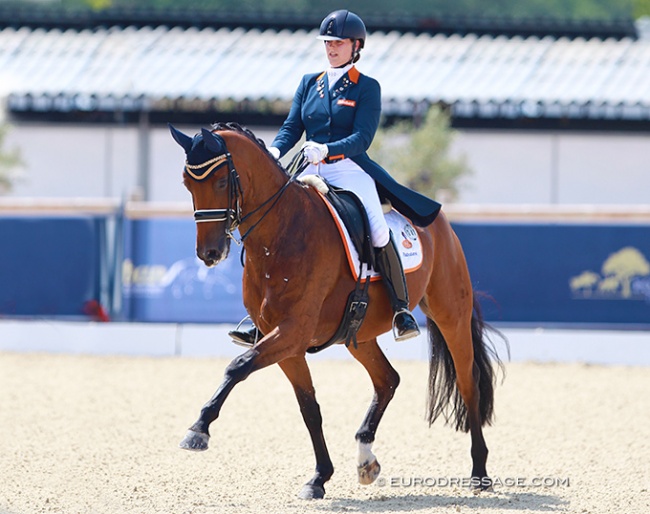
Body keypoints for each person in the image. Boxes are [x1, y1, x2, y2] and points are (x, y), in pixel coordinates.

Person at [229, 9, 441, 346]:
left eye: (338, 42)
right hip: (308, 166)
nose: (331, 48)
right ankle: (261, 315)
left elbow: (362, 138)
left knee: (377, 226)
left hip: (350, 169)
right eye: (327, 42)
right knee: (275, 221)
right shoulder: (308, 83)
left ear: (356, 46)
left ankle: (401, 309)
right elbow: (291, 128)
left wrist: (327, 150)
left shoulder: (366, 87)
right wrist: (274, 152)